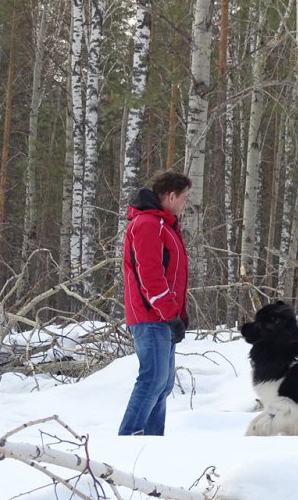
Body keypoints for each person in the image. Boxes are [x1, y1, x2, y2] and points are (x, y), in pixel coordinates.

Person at [118, 171, 192, 436]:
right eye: (184, 197)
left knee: (163, 384)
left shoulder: (165, 225)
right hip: (150, 316)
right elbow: (150, 276)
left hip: (162, 316)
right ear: (171, 196)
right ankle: (128, 440)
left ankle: (151, 442)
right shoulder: (148, 224)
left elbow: (172, 275)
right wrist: (170, 313)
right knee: (152, 380)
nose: (185, 203)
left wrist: (179, 314)